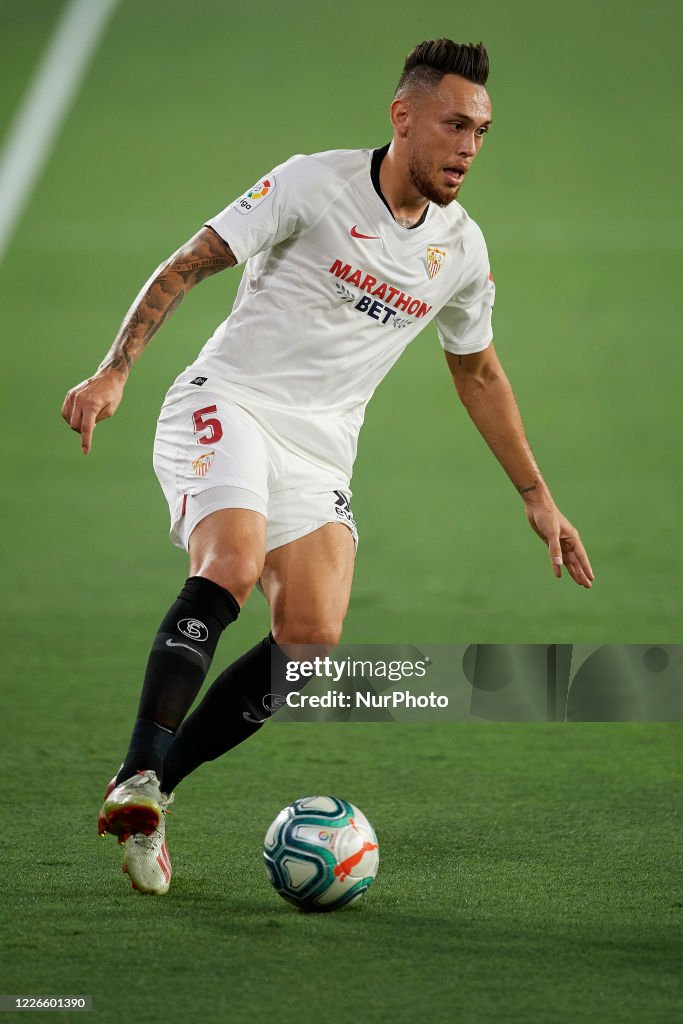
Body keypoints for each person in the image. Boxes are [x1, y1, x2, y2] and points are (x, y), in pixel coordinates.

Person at [61, 38, 594, 895]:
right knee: (231, 562)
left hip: (318, 448)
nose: (468, 147)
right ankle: (135, 772)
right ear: (403, 117)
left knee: (308, 644)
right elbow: (190, 262)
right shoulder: (314, 183)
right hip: (226, 400)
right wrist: (116, 367)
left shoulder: (459, 250)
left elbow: (478, 371)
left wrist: (537, 496)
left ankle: (154, 796)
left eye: (482, 132)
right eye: (454, 124)